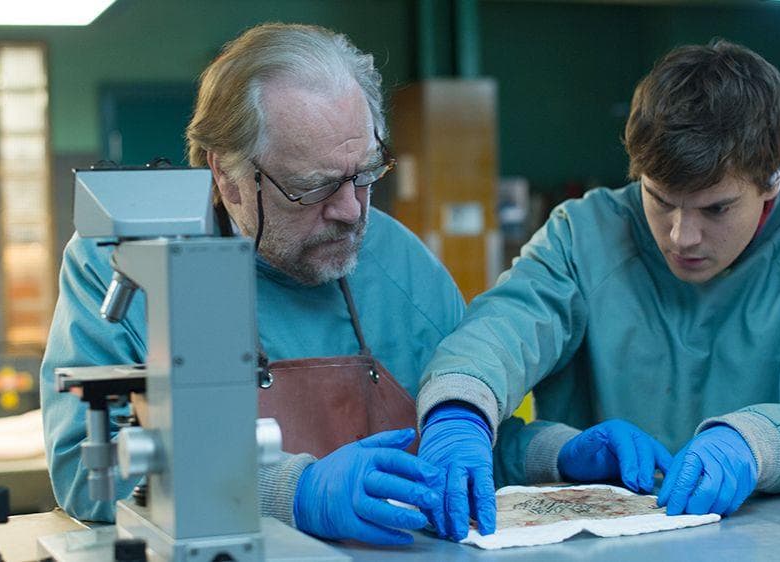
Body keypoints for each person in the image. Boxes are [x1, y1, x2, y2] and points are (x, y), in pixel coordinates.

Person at [414, 39, 780, 541]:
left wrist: (756, 444)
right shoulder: (581, 235)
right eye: (661, 200)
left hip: (774, 543)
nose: (682, 236)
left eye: (716, 209)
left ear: (772, 180)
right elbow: (502, 329)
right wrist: (458, 412)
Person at [41, 23, 467, 546]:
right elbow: (86, 472)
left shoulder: (401, 262)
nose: (350, 211)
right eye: (313, 188)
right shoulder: (126, 263)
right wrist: (289, 491)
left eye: (364, 175)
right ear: (227, 175)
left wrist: (542, 451)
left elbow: (467, 439)